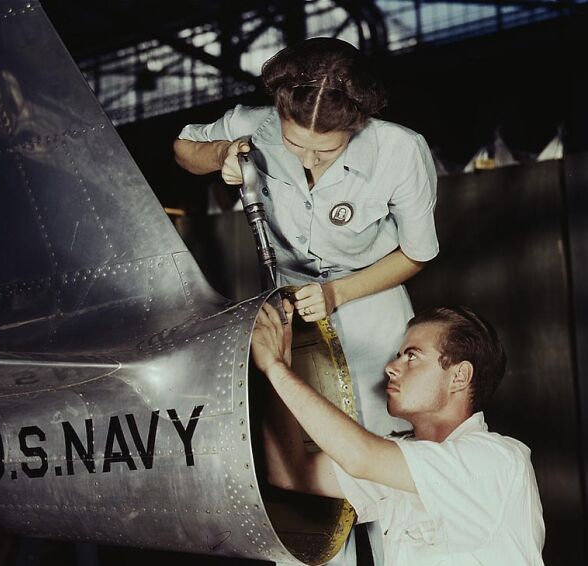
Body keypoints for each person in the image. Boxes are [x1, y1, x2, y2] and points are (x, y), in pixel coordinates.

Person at [174, 36, 439, 563]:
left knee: (381, 450)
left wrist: (338, 292)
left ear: (358, 124)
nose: (309, 159)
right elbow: (183, 148)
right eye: (296, 146)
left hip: (367, 296)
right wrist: (222, 154)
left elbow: (417, 252)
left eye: (328, 148)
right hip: (286, 302)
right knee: (300, 454)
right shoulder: (258, 124)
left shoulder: (401, 150)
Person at [251, 300, 545, 566]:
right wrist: (278, 367)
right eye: (398, 356)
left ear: (459, 376)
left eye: (412, 357)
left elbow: (361, 457)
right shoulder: (401, 460)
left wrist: (277, 368)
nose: (391, 367)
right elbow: (289, 474)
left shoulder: (498, 461)